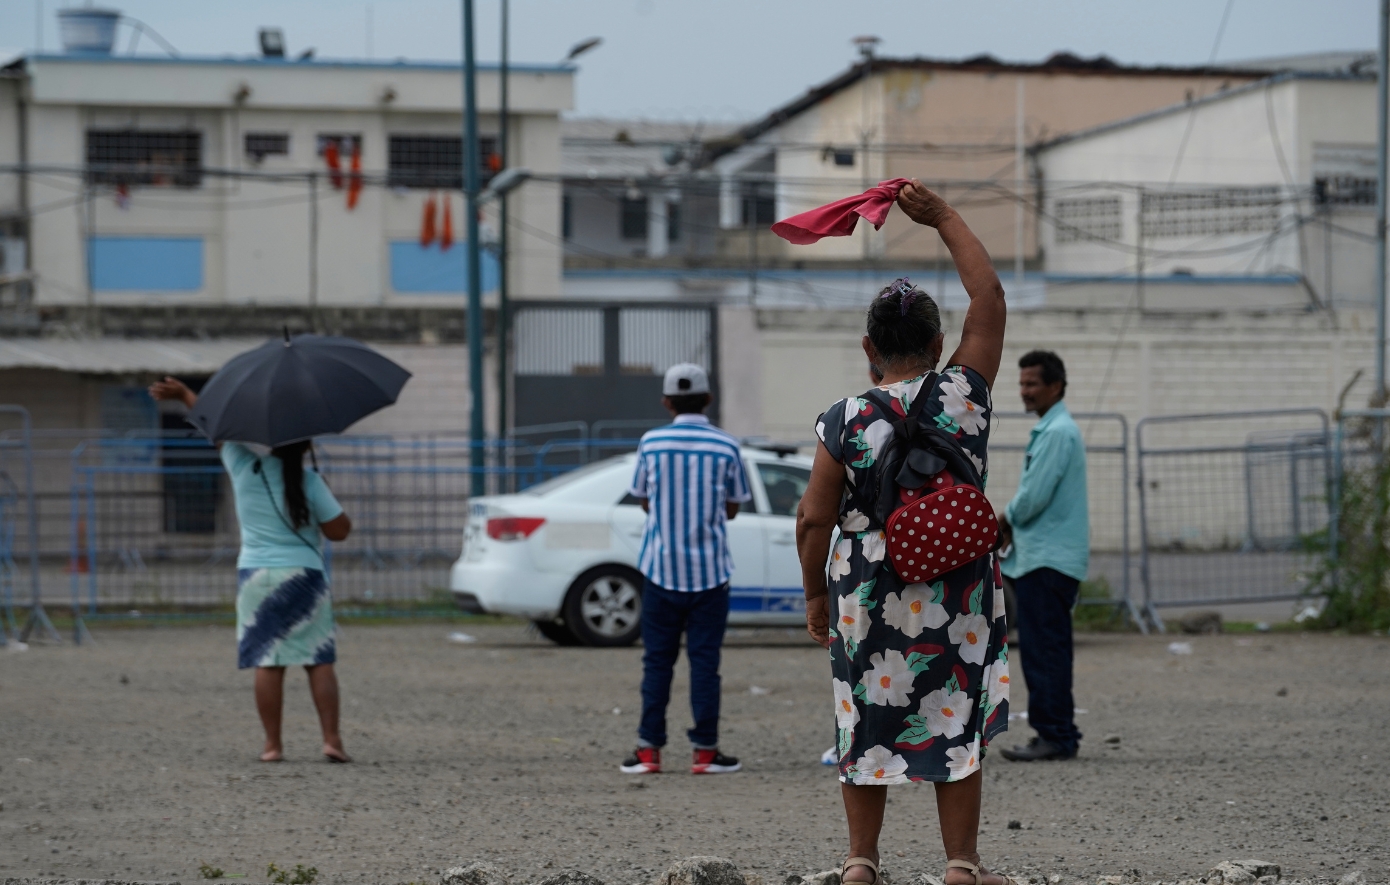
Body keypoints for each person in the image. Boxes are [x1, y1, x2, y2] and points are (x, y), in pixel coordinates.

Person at [797, 181, 1012, 885]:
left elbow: (813, 518)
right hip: (960, 586)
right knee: (957, 717)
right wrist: (944, 217)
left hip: (868, 586)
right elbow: (990, 302)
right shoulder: (964, 396)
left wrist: (815, 596)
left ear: (869, 346)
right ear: (940, 343)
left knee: (865, 717)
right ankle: (961, 863)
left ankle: (861, 860)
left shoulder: (844, 418)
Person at [149, 376, 354, 764]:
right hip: (305, 575)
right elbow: (339, 531)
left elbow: (215, 427)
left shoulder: (245, 468)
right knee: (318, 659)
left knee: (268, 660)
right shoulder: (310, 482)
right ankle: (331, 740)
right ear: (307, 444)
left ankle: (272, 746)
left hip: (257, 576)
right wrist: (323, 502)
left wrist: (184, 397)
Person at [620, 363, 752, 776]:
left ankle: (648, 752)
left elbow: (642, 497)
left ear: (666, 401)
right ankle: (705, 753)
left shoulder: (651, 443)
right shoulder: (727, 446)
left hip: (660, 570)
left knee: (657, 662)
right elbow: (733, 506)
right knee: (705, 663)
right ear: (708, 399)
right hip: (711, 574)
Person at [997, 351, 1088, 763]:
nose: (1025, 391)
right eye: (1021, 383)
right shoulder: (1054, 429)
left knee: (1044, 651)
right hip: (1042, 558)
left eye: (1032, 383)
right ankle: (1058, 731)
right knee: (1046, 649)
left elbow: (1033, 497)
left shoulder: (1056, 433)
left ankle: (1055, 736)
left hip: (1046, 561)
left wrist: (1005, 518)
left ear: (1056, 385)